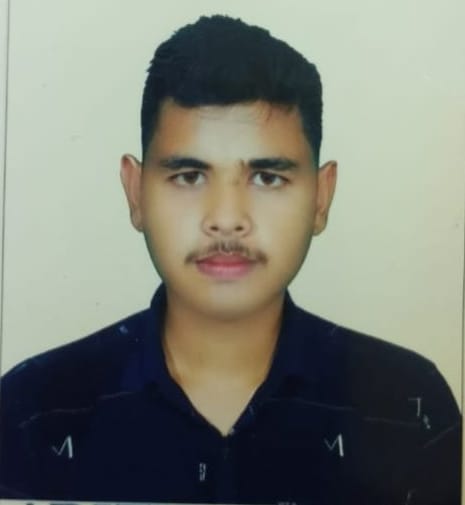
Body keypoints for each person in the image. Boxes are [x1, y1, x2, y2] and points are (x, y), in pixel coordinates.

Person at [0, 14, 461, 505]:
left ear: (321, 197)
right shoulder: (33, 410)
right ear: (135, 192)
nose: (225, 219)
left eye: (267, 177)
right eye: (189, 176)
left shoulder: (409, 406)